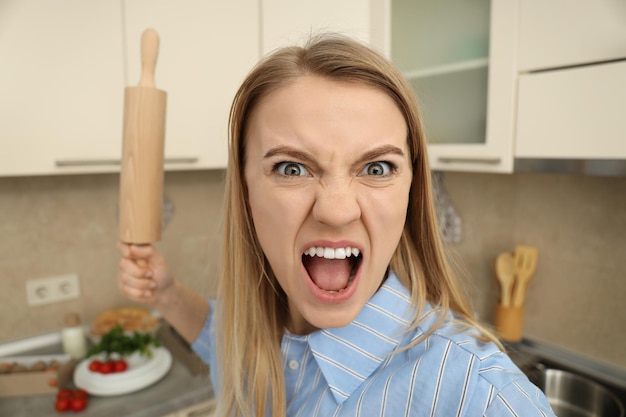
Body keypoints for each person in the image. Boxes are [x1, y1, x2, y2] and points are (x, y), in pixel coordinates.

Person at [117, 34, 555, 417]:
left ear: (410, 192)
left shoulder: (481, 397)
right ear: (245, 194)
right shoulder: (261, 327)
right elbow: (226, 342)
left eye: (378, 167)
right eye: (291, 168)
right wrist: (167, 295)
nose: (336, 210)